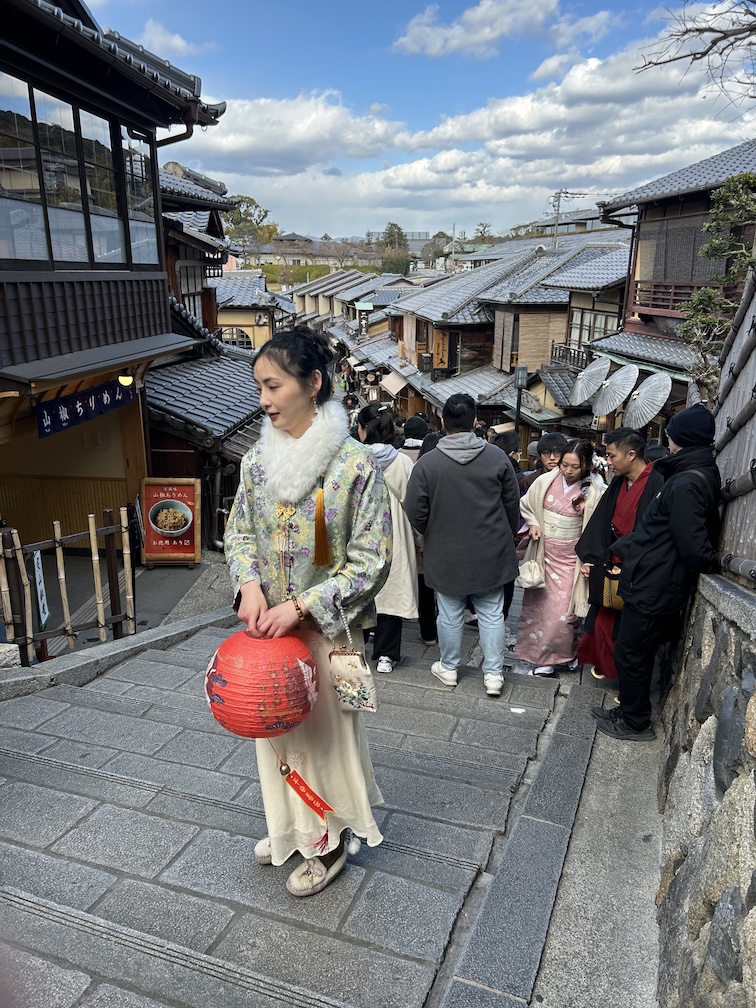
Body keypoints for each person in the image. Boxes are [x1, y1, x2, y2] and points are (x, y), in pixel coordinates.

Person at [224, 327, 392, 897]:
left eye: (274, 386)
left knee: (325, 742)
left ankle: (329, 840)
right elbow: (239, 532)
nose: (264, 400)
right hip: (269, 631)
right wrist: (249, 583)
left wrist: (302, 605)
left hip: (329, 633)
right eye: (260, 388)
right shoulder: (256, 461)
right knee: (273, 732)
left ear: (313, 382)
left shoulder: (354, 465)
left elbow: (373, 561)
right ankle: (291, 827)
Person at [593, 403, 721, 741]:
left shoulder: (686, 483)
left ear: (683, 439)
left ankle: (635, 722)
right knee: (632, 650)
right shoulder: (688, 474)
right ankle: (629, 711)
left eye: (672, 435)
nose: (668, 440)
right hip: (653, 578)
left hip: (656, 583)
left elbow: (692, 544)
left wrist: (706, 562)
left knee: (632, 653)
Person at [404, 393, 521, 697]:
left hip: (446, 550)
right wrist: (505, 534)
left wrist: (432, 531)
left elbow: (414, 509)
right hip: (491, 549)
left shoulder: (427, 463)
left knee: (449, 612)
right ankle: (493, 674)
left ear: (443, 422)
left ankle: (449, 667)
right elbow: (512, 505)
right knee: (492, 612)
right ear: (475, 422)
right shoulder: (498, 458)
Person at [575, 429, 664, 681]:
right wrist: (594, 558)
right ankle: (609, 668)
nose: (608, 461)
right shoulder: (619, 481)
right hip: (612, 558)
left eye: (612, 456)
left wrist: (627, 561)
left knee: (627, 629)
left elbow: (654, 531)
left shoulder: (658, 482)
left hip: (639, 565)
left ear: (631, 454)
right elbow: (603, 520)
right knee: (603, 619)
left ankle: (625, 682)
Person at [514, 440, 606, 676]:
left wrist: (590, 558)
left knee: (565, 613)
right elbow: (527, 505)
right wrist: (534, 523)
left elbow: (596, 527)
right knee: (540, 609)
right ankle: (545, 658)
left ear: (586, 465)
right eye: (565, 465)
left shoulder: (594, 490)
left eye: (575, 466)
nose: (568, 471)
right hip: (544, 553)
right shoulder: (545, 481)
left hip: (572, 557)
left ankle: (565, 654)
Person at [356, 404, 418, 673]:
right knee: (391, 592)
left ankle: (357, 647)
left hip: (361, 533)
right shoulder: (403, 462)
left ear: (363, 430)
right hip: (396, 534)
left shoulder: (354, 460)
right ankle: (386, 655)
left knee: (359, 590)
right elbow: (413, 504)